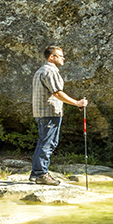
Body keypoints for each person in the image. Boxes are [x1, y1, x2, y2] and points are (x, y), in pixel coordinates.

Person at [31, 45, 88, 185]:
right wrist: (77, 103)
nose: (63, 58)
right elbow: (57, 92)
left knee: (43, 142)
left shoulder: (41, 71)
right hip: (49, 112)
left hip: (42, 113)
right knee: (48, 144)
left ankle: (36, 173)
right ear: (52, 57)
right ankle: (40, 174)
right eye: (60, 56)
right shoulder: (50, 71)